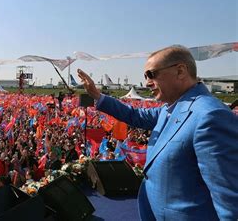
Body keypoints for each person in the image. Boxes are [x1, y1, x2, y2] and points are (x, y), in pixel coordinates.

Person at [77, 45, 238, 220]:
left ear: (180, 71)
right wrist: (97, 95)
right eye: (145, 76)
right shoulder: (169, 109)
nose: (147, 82)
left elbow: (230, 200)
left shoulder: (210, 116)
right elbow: (134, 115)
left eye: (152, 74)